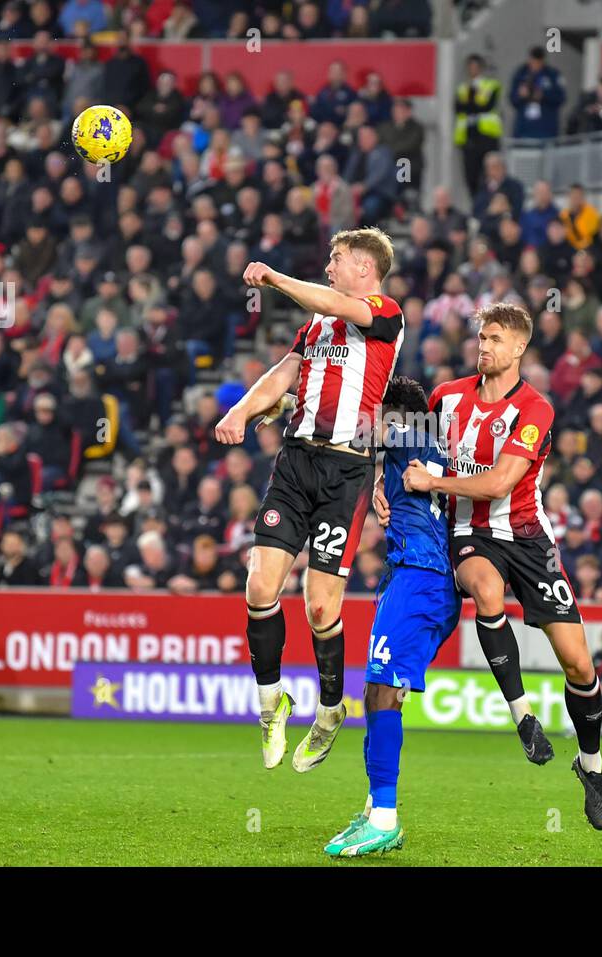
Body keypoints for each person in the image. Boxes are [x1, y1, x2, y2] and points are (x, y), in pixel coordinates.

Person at [397, 303, 602, 830]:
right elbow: (403, 441)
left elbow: (498, 484)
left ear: (519, 348)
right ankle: (524, 720)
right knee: (487, 596)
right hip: (470, 535)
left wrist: (433, 482)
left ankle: (592, 766)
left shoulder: (536, 410)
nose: (483, 345)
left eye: (494, 338)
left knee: (580, 666)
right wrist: (392, 487)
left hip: (530, 539)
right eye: (481, 337)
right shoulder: (446, 397)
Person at [214, 227, 403, 772]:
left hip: (347, 471)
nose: (329, 266)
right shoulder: (318, 325)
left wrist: (273, 277)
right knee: (259, 586)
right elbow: (284, 373)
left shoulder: (385, 314)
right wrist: (242, 411)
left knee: (321, 605)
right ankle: (270, 705)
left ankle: (328, 710)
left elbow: (335, 301)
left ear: (365, 268)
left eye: (337, 258)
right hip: (297, 462)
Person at [323, 377, 460, 858]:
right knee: (377, 688)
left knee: (382, 689)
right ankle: (373, 810)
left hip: (422, 579)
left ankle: (385, 818)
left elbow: (353, 432)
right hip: (411, 576)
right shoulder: (424, 446)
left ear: (400, 416)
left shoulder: (415, 434)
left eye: (382, 413)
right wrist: (383, 482)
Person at [454, 54, 503, 198]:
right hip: (468, 138)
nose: (472, 70)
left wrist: (470, 105)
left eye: (475, 67)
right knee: (471, 176)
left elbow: (486, 106)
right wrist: (474, 105)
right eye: (470, 67)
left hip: (487, 137)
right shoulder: (462, 88)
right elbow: (458, 108)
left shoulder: (491, 85)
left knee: (489, 175)